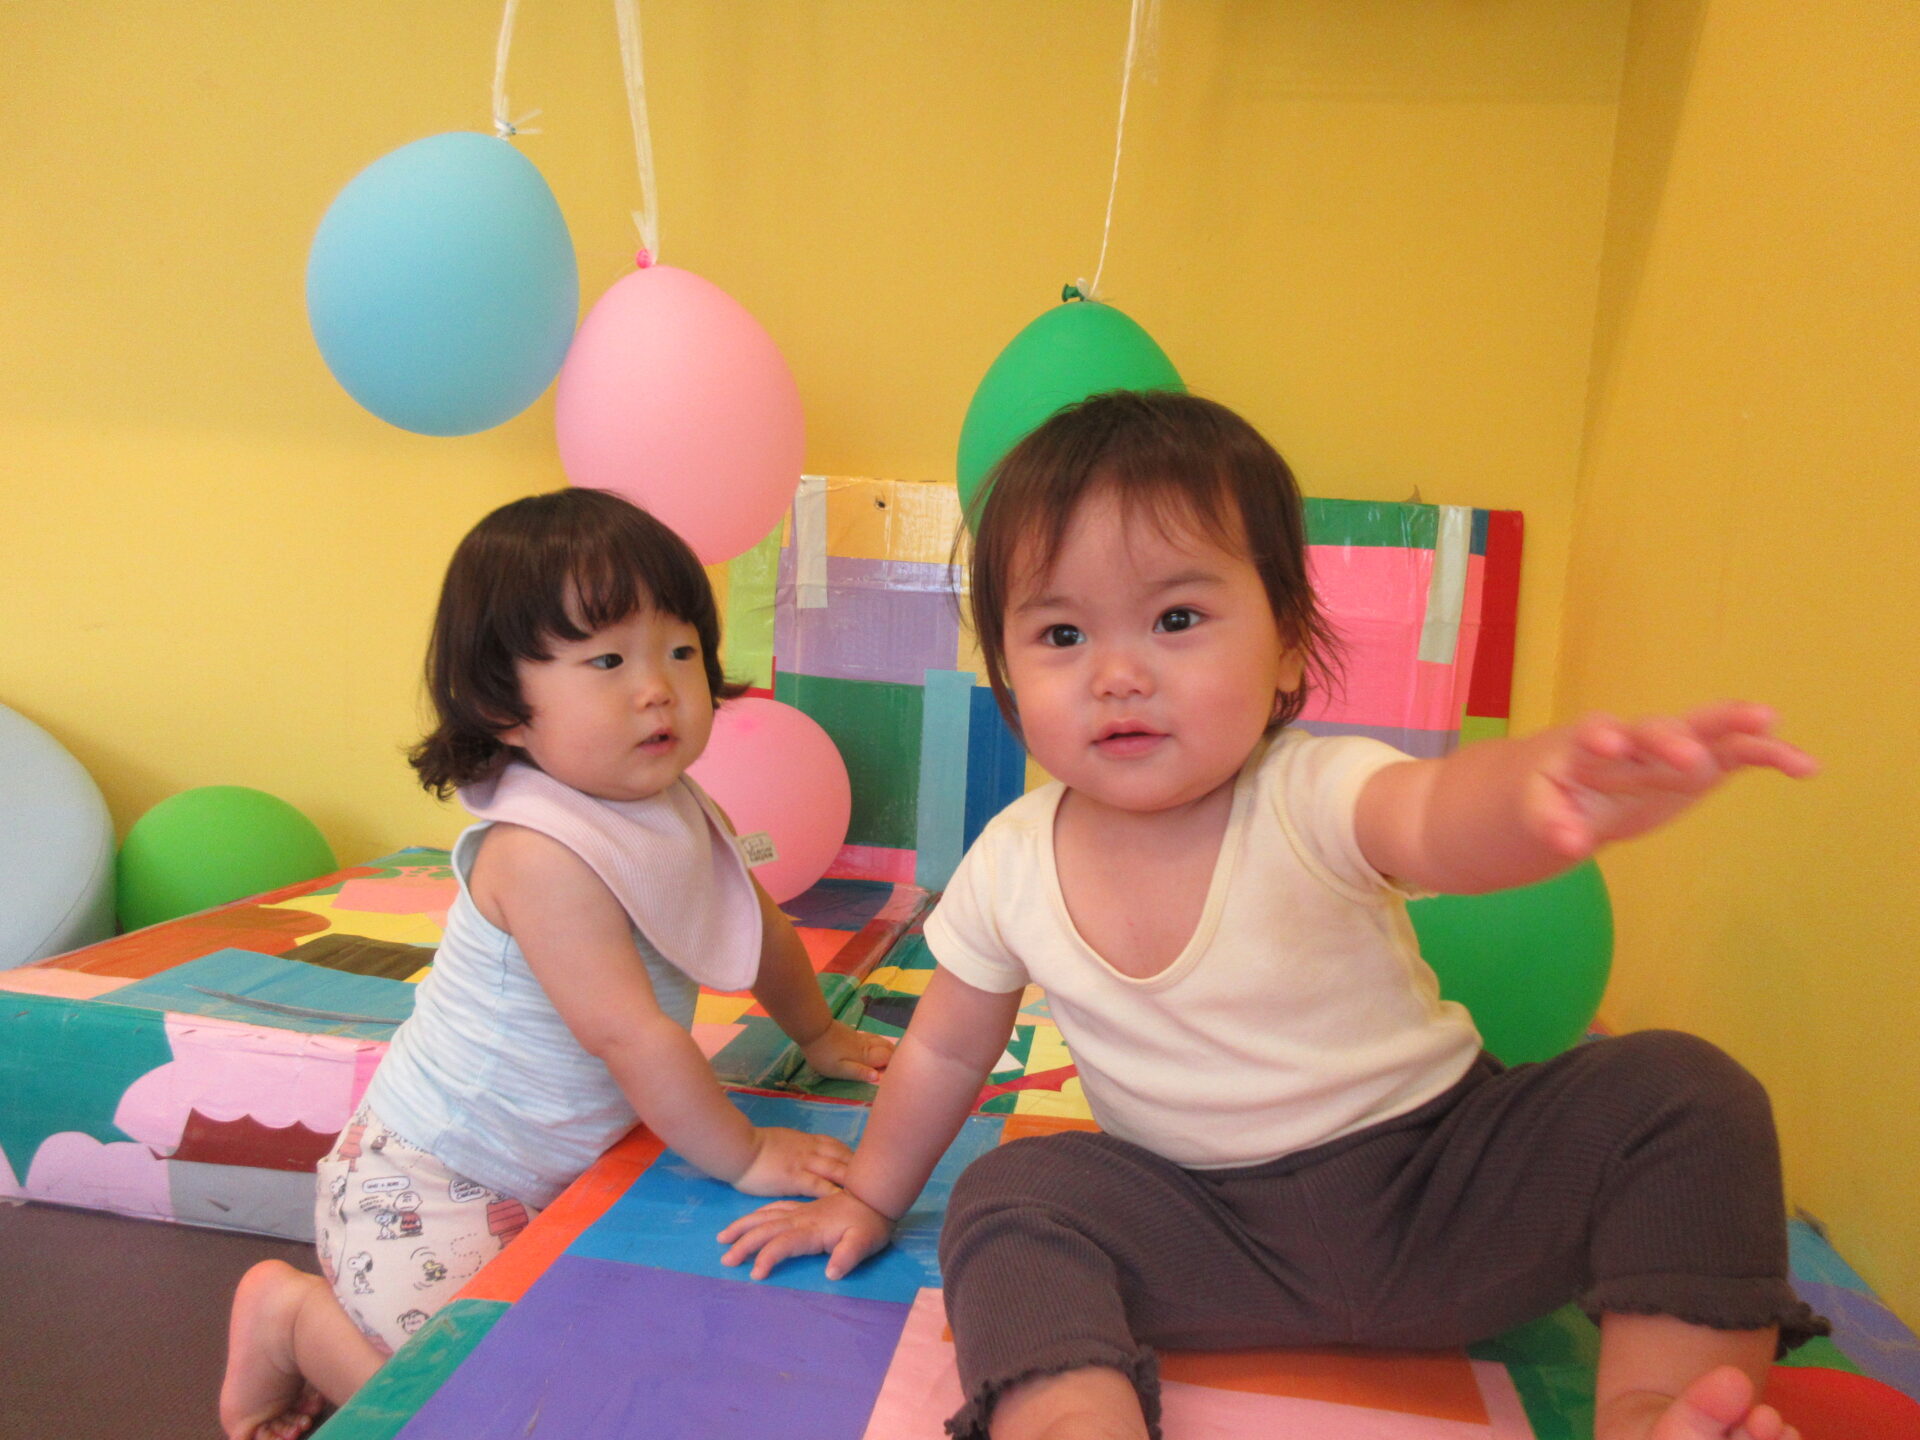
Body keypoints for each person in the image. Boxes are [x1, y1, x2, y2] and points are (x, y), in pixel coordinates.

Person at [718, 392, 1825, 1440]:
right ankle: (1073, 1417)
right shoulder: (1010, 860)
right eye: (1061, 636)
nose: (1117, 674)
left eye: (1177, 618)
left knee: (1685, 1094)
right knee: (1011, 1197)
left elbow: (1435, 816)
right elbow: (947, 1051)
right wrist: (871, 1197)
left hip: (1442, 1190)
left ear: (1289, 640)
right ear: (1005, 672)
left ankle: (1654, 1410)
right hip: (1201, 1229)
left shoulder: (1313, 788)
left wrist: (1539, 793)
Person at [220, 488, 893, 1440]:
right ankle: (292, 1319)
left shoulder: (678, 805)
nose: (657, 688)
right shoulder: (539, 854)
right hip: (435, 1186)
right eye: (608, 661)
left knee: (603, 1365)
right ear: (502, 703)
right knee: (456, 1405)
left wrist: (818, 1033)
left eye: (681, 650)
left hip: (566, 1174)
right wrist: (745, 1153)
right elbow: (630, 1035)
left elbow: (761, 930)